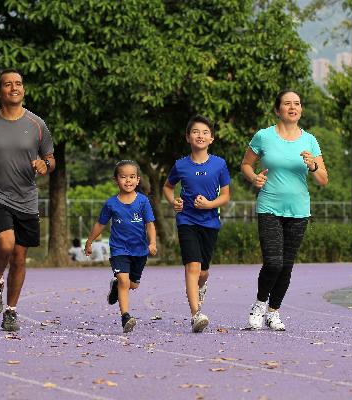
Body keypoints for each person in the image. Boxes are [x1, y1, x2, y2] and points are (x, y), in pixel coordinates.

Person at [0, 68, 55, 331]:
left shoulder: (37, 125)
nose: (14, 87)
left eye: (18, 83)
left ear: (23, 89)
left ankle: (11, 310)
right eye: (8, 84)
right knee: (5, 243)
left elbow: (50, 158)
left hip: (26, 198)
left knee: (19, 257)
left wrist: (45, 165)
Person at [240, 89, 328, 331]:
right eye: (287, 104)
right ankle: (259, 304)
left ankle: (273, 311)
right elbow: (246, 164)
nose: (293, 107)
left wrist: (312, 166)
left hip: (299, 210)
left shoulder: (310, 140)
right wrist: (254, 177)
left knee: (287, 265)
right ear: (278, 110)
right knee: (274, 262)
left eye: (297, 104)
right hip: (269, 206)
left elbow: (323, 179)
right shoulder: (264, 136)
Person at [163, 115, 231, 333]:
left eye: (205, 132)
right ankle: (196, 314)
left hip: (210, 223)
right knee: (192, 267)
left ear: (211, 138)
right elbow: (167, 187)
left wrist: (210, 203)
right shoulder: (180, 165)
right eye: (195, 132)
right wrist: (174, 201)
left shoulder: (219, 164)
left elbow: (226, 196)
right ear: (188, 137)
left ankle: (201, 287)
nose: (200, 136)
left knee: (203, 272)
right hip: (187, 221)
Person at [84, 160, 157, 333]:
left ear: (138, 180)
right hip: (119, 249)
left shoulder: (143, 201)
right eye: (123, 177)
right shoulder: (111, 204)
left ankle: (116, 287)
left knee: (132, 284)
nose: (128, 181)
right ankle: (125, 317)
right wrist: (89, 241)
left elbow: (150, 223)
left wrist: (152, 242)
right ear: (116, 180)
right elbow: (100, 224)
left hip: (139, 250)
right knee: (124, 280)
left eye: (132, 177)